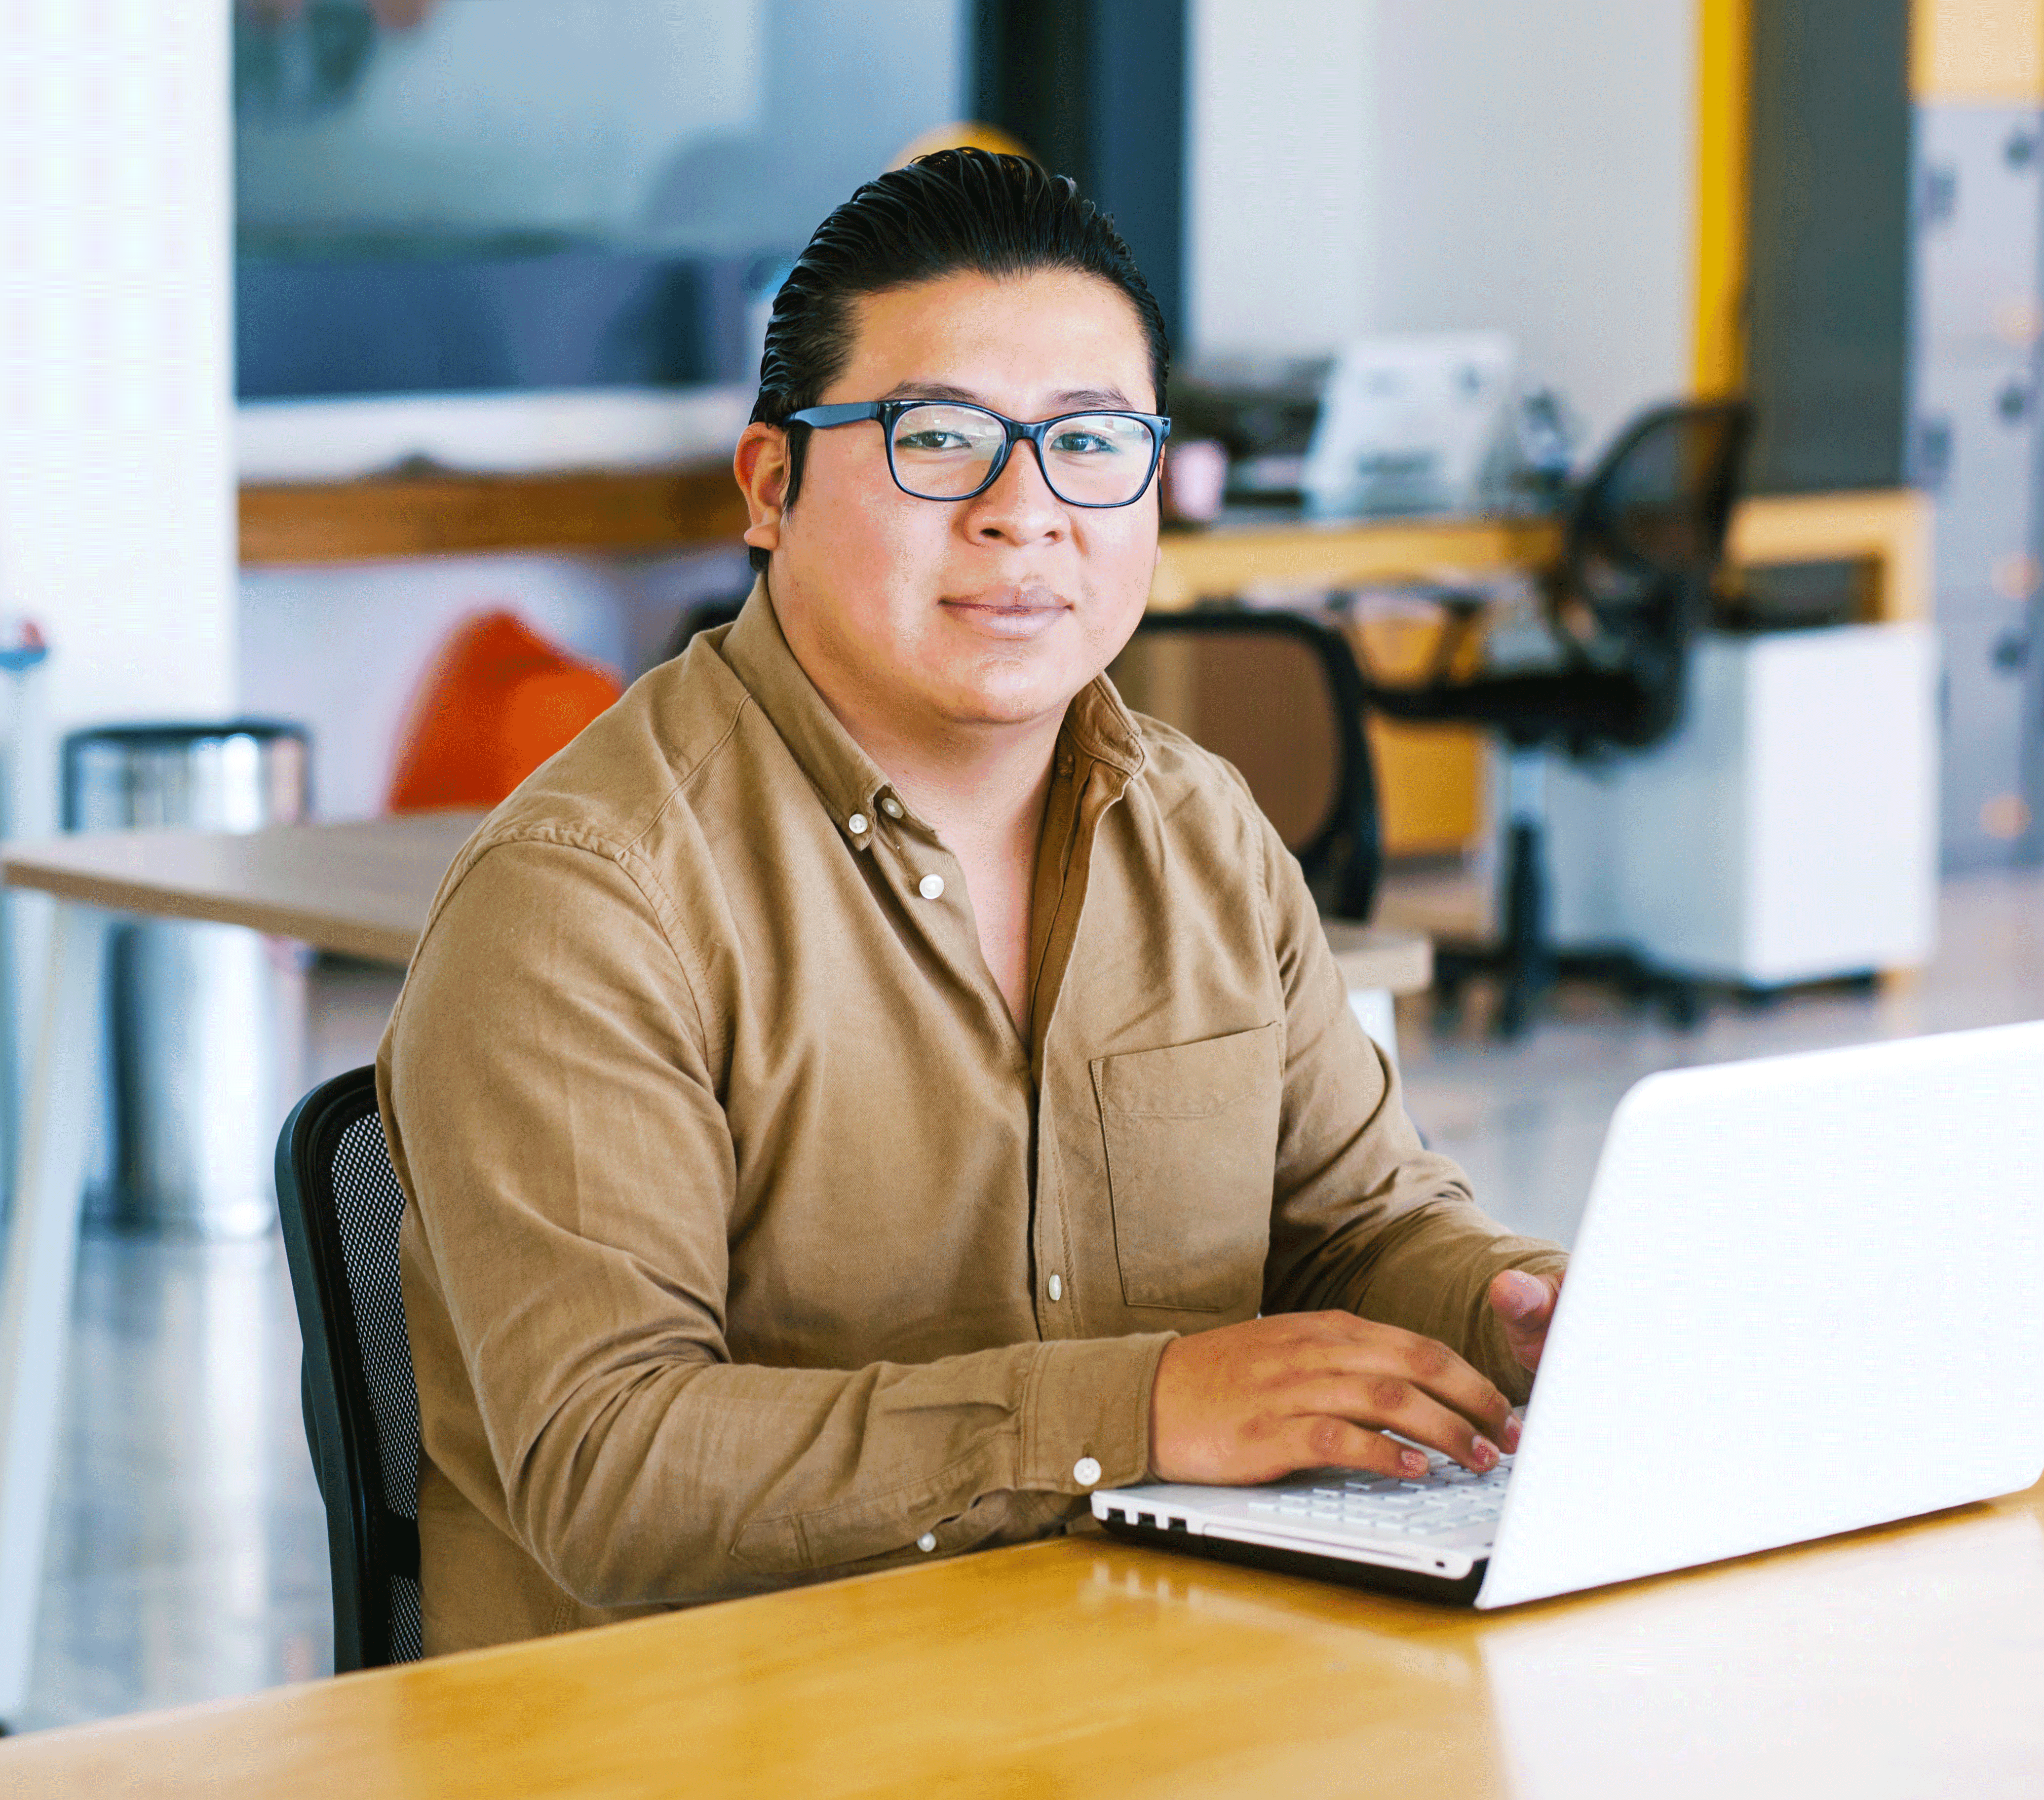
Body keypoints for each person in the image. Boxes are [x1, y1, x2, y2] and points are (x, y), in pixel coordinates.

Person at [378, 148, 1566, 1654]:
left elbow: (1352, 1227)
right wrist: (1132, 1410)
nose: (1024, 513)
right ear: (770, 484)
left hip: (1130, 1687)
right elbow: (610, 1467)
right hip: (713, 1734)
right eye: (937, 439)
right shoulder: (587, 898)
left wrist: (1515, 1307)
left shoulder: (1197, 830)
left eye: (1090, 444)